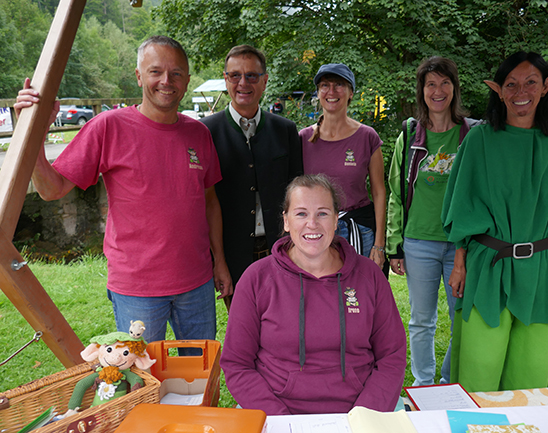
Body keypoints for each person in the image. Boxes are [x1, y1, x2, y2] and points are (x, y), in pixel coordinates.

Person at [14, 36, 231, 346]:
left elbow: (210, 203)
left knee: (199, 375)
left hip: (196, 283)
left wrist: (219, 261)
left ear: (186, 79)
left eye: (176, 73)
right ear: (139, 75)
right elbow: (52, 189)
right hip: (137, 288)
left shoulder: (199, 133)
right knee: (141, 378)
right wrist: (35, 133)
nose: (166, 81)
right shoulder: (108, 127)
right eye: (156, 71)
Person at [441, 51, 548, 392]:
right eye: (511, 84)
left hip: (545, 269)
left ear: (546, 87)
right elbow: (462, 205)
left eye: (530, 82)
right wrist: (459, 262)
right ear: (498, 90)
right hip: (488, 267)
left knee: (533, 378)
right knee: (478, 374)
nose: (520, 91)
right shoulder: (480, 139)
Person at [220, 174, 406, 415]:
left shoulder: (368, 275)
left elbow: (392, 356)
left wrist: (365, 415)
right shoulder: (257, 278)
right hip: (277, 412)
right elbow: (237, 364)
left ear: (336, 219)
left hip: (359, 413)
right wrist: (281, 422)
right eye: (301, 214)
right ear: (286, 221)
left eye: (322, 213)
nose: (312, 224)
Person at [386, 56, 482, 386]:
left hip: (462, 245)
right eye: (430, 84)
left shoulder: (473, 134)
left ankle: (449, 380)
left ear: (454, 88)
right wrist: (393, 246)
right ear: (422, 91)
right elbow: (396, 192)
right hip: (419, 242)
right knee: (421, 319)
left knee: (462, 318)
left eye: (444, 83)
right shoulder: (411, 134)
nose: (437, 90)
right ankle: (424, 384)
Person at [201, 45, 302, 305]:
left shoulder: (286, 130)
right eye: (235, 75)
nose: (243, 83)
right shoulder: (205, 132)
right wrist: (218, 261)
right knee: (243, 328)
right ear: (225, 79)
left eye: (252, 76)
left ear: (264, 81)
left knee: (283, 325)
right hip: (232, 255)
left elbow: (297, 195)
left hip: (280, 250)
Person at [300, 64, 386, 269]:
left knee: (358, 296)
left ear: (351, 93)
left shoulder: (367, 137)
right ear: (318, 93)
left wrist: (379, 244)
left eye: (339, 85)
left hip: (358, 231)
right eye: (325, 85)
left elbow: (379, 192)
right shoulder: (302, 139)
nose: (331, 91)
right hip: (315, 231)